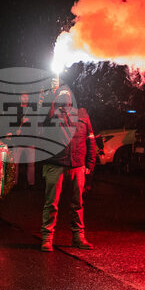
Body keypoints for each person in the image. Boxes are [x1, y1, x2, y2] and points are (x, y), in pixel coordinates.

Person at [39, 85, 96, 252]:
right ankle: (47, 238)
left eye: (67, 94)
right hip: (55, 165)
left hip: (77, 166)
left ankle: (79, 237)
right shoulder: (51, 112)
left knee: (77, 204)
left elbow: (90, 139)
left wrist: (90, 163)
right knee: (51, 204)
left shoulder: (83, 113)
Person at [12, 92, 36, 189]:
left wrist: (29, 121)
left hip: (30, 141)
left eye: (26, 96)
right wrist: (15, 130)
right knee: (15, 164)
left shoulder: (32, 110)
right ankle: (14, 183)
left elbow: (35, 125)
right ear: (20, 98)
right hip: (18, 141)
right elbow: (10, 123)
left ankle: (31, 184)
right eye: (23, 96)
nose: (25, 98)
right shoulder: (15, 110)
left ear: (28, 98)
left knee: (31, 164)